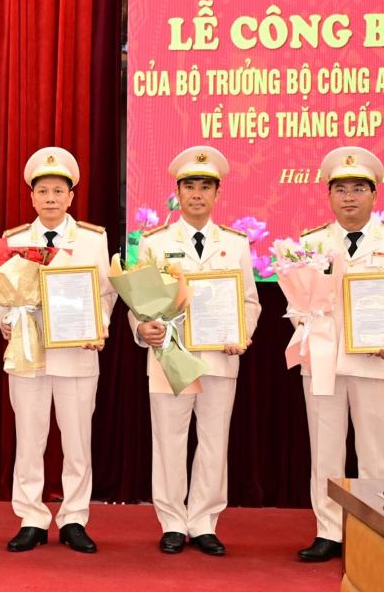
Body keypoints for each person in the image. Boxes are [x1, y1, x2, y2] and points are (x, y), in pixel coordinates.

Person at [131, 146, 260, 556]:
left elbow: (250, 302)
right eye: (190, 186)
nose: (197, 194)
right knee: (168, 441)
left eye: (205, 186)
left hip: (220, 356)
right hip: (170, 356)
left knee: (213, 441)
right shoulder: (154, 242)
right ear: (178, 192)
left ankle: (204, 521)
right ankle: (171, 521)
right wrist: (142, 329)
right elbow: (142, 304)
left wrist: (242, 333)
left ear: (217, 193)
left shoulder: (236, 245)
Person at [296, 145, 384, 563]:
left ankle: (375, 532)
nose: (349, 197)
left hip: (375, 359)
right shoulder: (311, 243)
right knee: (325, 450)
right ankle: (328, 531)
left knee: (373, 450)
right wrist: (306, 321)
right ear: (329, 196)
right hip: (323, 362)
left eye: (358, 189)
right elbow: (297, 303)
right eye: (341, 189)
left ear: (374, 194)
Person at [0, 147, 115, 554]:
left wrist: (96, 326)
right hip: (28, 353)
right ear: (31, 197)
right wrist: (8, 320)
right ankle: (31, 517)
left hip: (77, 355)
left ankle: (74, 518)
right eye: (42, 190)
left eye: (58, 191)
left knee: (77, 442)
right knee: (29, 440)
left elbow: (106, 294)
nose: (50, 198)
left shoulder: (92, 239)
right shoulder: (14, 240)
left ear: (70, 197)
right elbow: (1, 296)